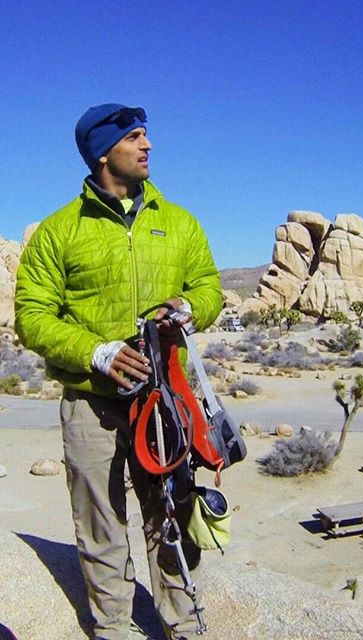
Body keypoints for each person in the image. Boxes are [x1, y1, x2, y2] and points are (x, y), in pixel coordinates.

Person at [14, 103, 223, 640]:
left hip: (163, 399)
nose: (148, 145)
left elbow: (209, 287)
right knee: (100, 521)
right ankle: (112, 629)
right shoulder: (60, 230)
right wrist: (95, 352)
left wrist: (189, 307)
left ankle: (182, 625)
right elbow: (32, 318)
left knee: (170, 512)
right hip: (90, 402)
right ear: (103, 152)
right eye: (135, 137)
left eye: (146, 135)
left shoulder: (178, 222)